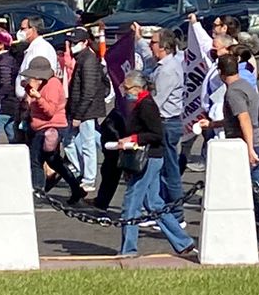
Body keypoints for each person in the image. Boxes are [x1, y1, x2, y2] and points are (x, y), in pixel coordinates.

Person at [115, 70, 198, 260]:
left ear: (138, 88)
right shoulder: (142, 104)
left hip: (148, 158)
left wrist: (133, 138)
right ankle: (182, 241)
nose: (126, 92)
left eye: (127, 88)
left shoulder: (146, 105)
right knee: (154, 203)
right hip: (151, 157)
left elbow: (156, 134)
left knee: (132, 203)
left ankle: (129, 248)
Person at [215, 52, 259, 253]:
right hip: (256, 143)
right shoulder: (246, 85)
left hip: (246, 148)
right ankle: (257, 229)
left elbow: (244, 119)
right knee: (248, 192)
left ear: (220, 72)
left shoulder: (233, 92)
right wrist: (212, 123)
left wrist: (249, 149)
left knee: (258, 192)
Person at [23, 56, 84, 202]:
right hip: (42, 126)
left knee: (36, 159)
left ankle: (38, 190)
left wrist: (38, 97)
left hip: (50, 126)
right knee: (53, 160)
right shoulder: (42, 83)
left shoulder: (52, 84)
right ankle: (76, 188)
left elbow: (50, 110)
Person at [146, 27, 187, 216]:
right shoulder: (162, 66)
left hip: (167, 122)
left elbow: (157, 100)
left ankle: (176, 213)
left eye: (153, 42)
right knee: (161, 169)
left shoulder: (168, 70)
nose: (150, 45)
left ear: (163, 46)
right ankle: (162, 210)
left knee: (170, 170)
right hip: (165, 122)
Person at [65, 27, 107, 192]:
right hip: (80, 108)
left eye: (75, 43)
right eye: (71, 42)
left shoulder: (88, 60)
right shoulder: (82, 58)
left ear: (84, 42)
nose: (72, 46)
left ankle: (89, 178)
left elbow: (88, 91)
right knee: (71, 140)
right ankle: (83, 171)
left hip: (86, 110)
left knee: (87, 143)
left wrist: (79, 115)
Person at [15, 16, 60, 94]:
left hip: (34, 98)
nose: (20, 32)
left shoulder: (40, 49)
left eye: (23, 29)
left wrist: (29, 97)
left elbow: (37, 77)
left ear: (33, 29)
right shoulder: (34, 47)